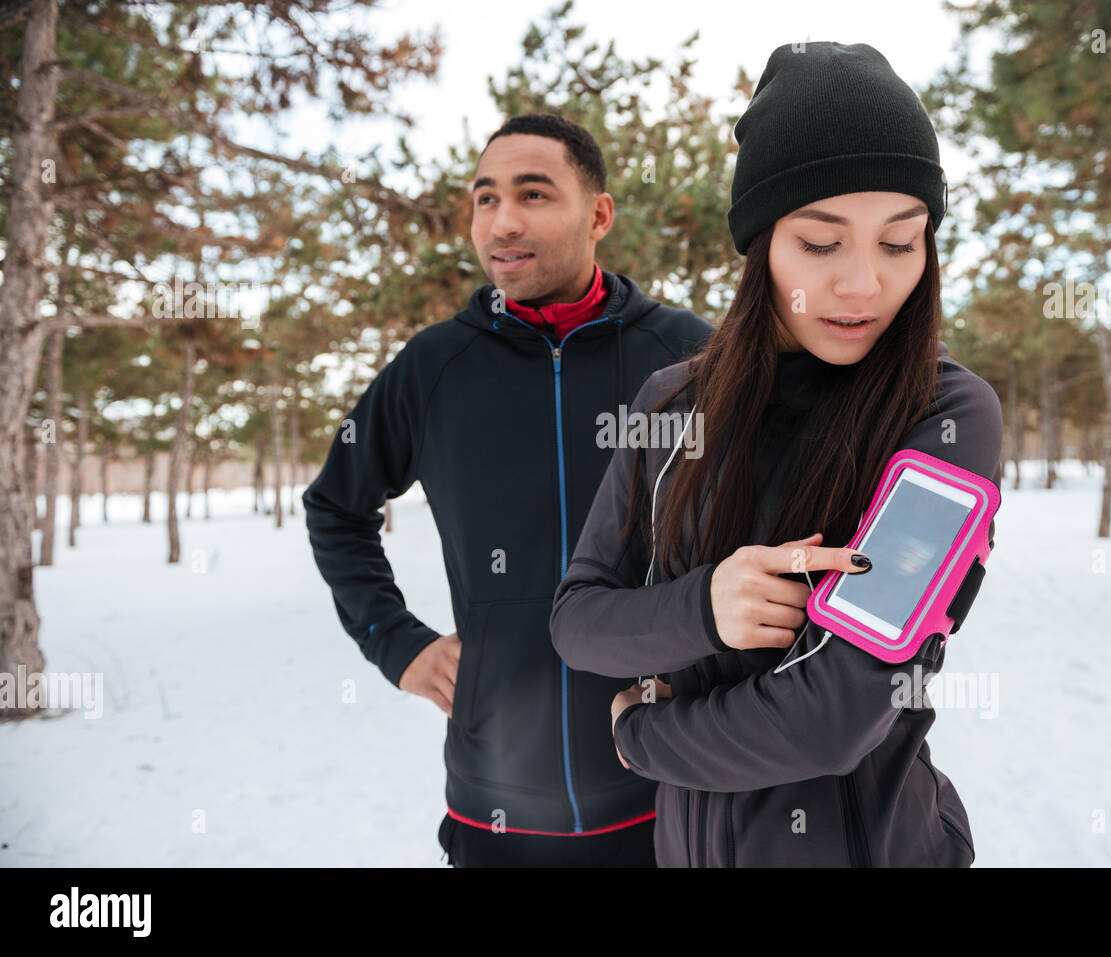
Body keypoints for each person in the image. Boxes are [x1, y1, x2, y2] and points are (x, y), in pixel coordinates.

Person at [550, 42, 1003, 866]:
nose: (864, 283)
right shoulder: (670, 405)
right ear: (761, 247)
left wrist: (640, 735)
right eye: (822, 244)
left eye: (900, 244)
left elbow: (830, 717)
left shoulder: (943, 415)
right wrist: (703, 606)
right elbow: (579, 621)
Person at [303, 112, 714, 867]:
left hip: (667, 800)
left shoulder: (689, 356)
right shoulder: (435, 369)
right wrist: (398, 644)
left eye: (532, 194)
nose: (503, 222)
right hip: (496, 812)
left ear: (599, 215)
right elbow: (335, 504)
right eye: (484, 198)